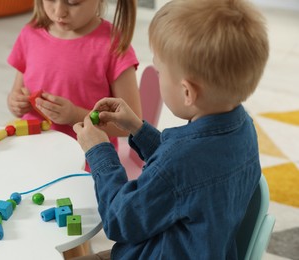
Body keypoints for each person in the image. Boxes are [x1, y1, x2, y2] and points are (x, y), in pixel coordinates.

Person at [72, 0, 269, 259]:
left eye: (160, 71)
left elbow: (119, 221)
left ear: (187, 92)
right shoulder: (244, 128)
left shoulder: (178, 162)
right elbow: (186, 174)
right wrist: (137, 128)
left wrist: (99, 151)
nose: (158, 77)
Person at [7, 0, 142, 149]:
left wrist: (74, 116)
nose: (59, 12)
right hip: (32, 148)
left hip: (87, 158)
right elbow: (16, 93)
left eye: (73, 2)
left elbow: (132, 125)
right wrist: (16, 103)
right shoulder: (30, 33)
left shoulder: (113, 45)